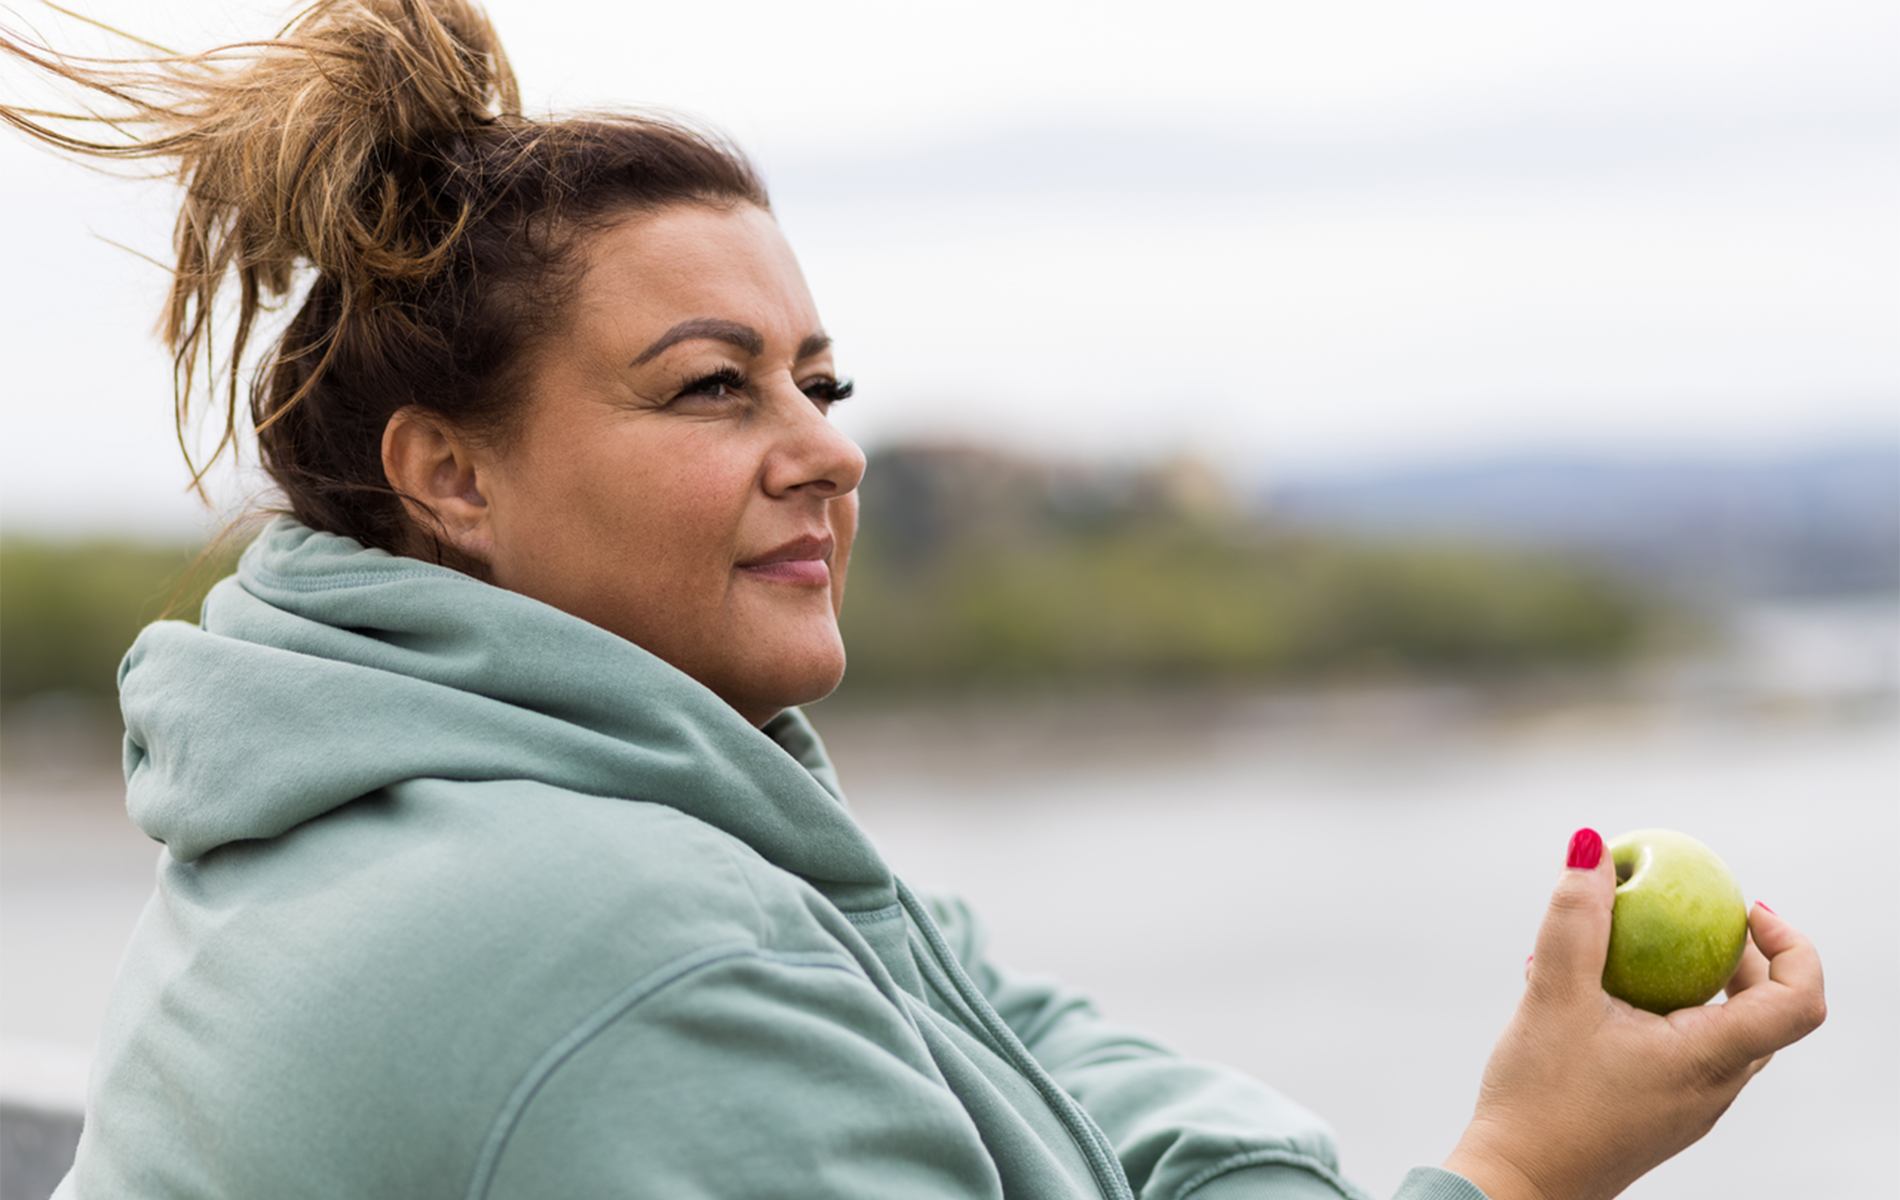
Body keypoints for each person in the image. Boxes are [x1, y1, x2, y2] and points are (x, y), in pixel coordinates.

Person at [3, 2, 1826, 1197]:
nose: (826, 450)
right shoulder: (614, 934)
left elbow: (1093, 1099)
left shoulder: (590, 814)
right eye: (716, 388)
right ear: (448, 476)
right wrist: (1521, 1166)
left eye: (823, 383)